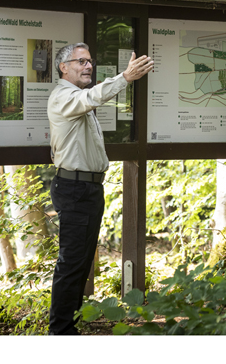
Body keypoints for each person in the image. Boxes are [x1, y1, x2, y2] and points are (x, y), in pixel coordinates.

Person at [47, 43, 153, 335]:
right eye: (80, 61)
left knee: (81, 265)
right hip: (74, 188)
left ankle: (68, 326)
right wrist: (125, 78)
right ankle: (60, 332)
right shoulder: (63, 97)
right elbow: (93, 97)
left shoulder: (77, 97)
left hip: (88, 189)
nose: (88, 66)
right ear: (63, 67)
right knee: (71, 265)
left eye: (89, 61)